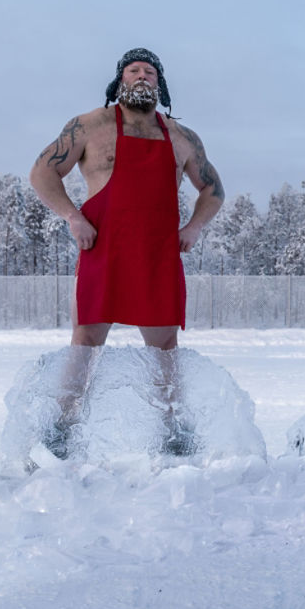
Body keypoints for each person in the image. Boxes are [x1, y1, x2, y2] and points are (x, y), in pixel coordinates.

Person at [27, 47, 225, 457]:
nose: (141, 76)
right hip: (105, 246)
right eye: (133, 70)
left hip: (157, 252)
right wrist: (72, 217)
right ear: (120, 80)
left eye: (149, 72)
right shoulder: (90, 125)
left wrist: (193, 227)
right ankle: (61, 433)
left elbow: (213, 189)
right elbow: (42, 171)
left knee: (165, 347)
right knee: (85, 339)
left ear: (160, 83)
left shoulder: (182, 136)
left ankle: (173, 435)